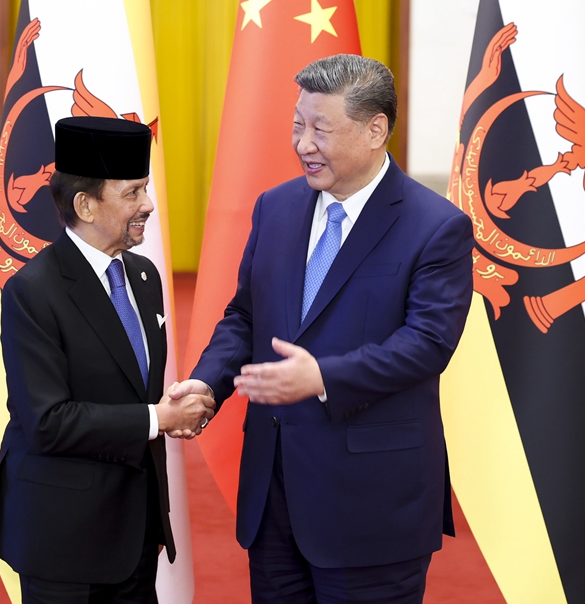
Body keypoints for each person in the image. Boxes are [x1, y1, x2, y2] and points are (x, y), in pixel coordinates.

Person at [171, 55, 474, 603]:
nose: (303, 143)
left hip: (372, 507)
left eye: (320, 129)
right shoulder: (276, 207)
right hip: (274, 498)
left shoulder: (436, 227)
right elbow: (246, 315)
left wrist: (323, 378)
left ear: (375, 130)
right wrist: (207, 383)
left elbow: (428, 343)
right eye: (297, 125)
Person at [0, 116, 215, 604]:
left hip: (136, 535)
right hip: (64, 541)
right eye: (132, 193)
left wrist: (175, 406)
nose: (148, 205)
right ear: (85, 205)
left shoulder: (144, 277)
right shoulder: (33, 291)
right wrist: (159, 418)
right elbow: (47, 421)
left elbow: (134, 385)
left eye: (146, 189)